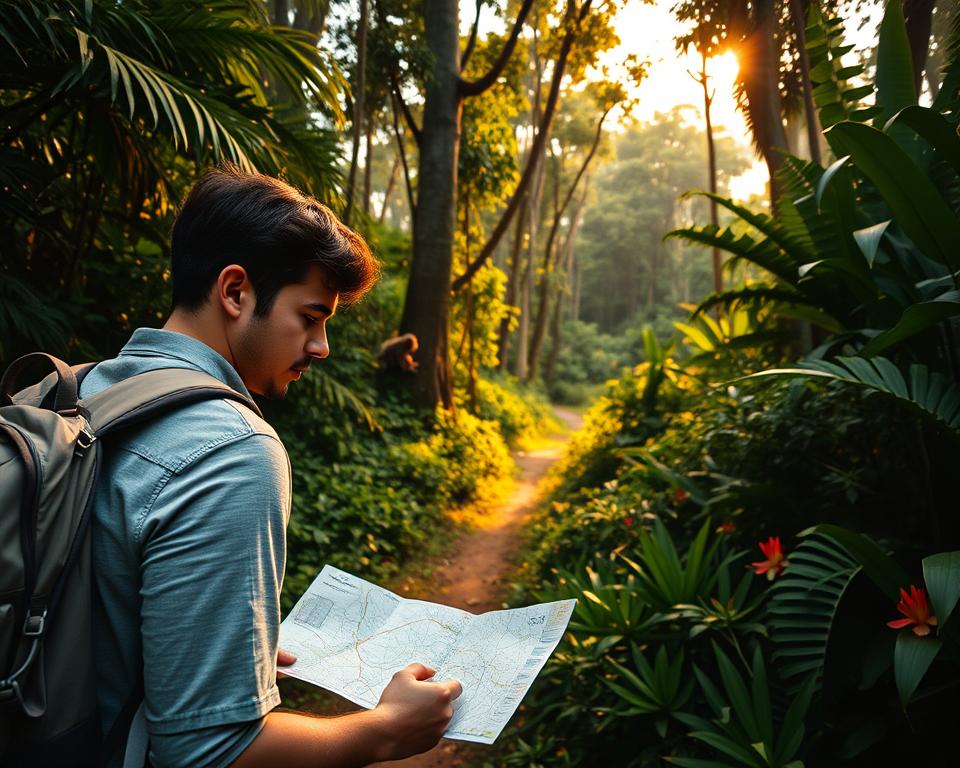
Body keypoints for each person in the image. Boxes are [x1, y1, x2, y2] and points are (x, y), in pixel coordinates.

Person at [81, 166, 461, 767]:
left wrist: (211, 637)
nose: (321, 347)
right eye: (310, 317)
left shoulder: (84, 391)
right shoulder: (232, 452)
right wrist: (382, 731)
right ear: (235, 293)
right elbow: (208, 753)